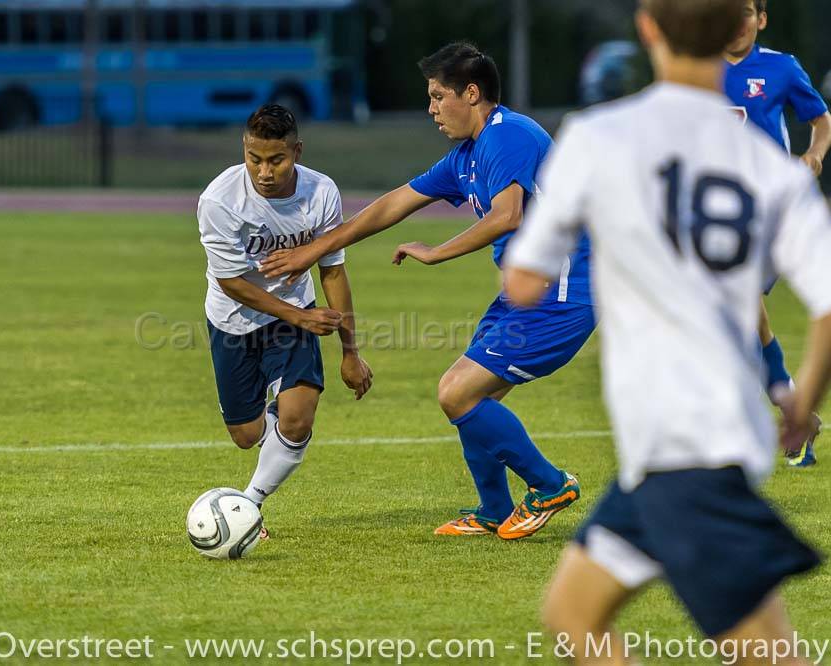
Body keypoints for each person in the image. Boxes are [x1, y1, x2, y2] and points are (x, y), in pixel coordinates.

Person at [504, 0, 831, 661]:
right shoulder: (772, 168)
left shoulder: (599, 136)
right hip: (674, 451)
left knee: (765, 652)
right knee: (572, 610)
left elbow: (523, 281)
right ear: (737, 33)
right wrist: (803, 400)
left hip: (685, 445)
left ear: (647, 27)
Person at [261, 42, 594, 540]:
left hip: (564, 294)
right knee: (473, 400)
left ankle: (549, 485)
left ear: (473, 93)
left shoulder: (509, 136)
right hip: (526, 295)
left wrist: (437, 251)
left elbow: (508, 215)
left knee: (455, 393)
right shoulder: (467, 156)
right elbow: (394, 204)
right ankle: (492, 511)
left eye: (439, 97)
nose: (431, 108)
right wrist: (315, 249)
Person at [197, 104, 373, 536]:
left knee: (297, 418)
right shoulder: (220, 200)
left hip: (295, 317)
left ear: (297, 150)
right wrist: (299, 314)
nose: (264, 171)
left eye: (276, 159)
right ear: (244, 148)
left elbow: (332, 270)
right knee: (245, 433)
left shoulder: (321, 192)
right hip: (233, 320)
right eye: (254, 159)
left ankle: (249, 507)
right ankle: (272, 418)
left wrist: (350, 352)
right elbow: (231, 282)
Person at [724, 0, 831, 466]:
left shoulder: (780, 69)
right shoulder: (696, 70)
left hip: (771, 212)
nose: (740, 20)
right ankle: (794, 411)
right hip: (721, 216)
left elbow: (821, 121)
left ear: (761, 19)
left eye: (748, 11)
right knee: (750, 315)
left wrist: (813, 156)